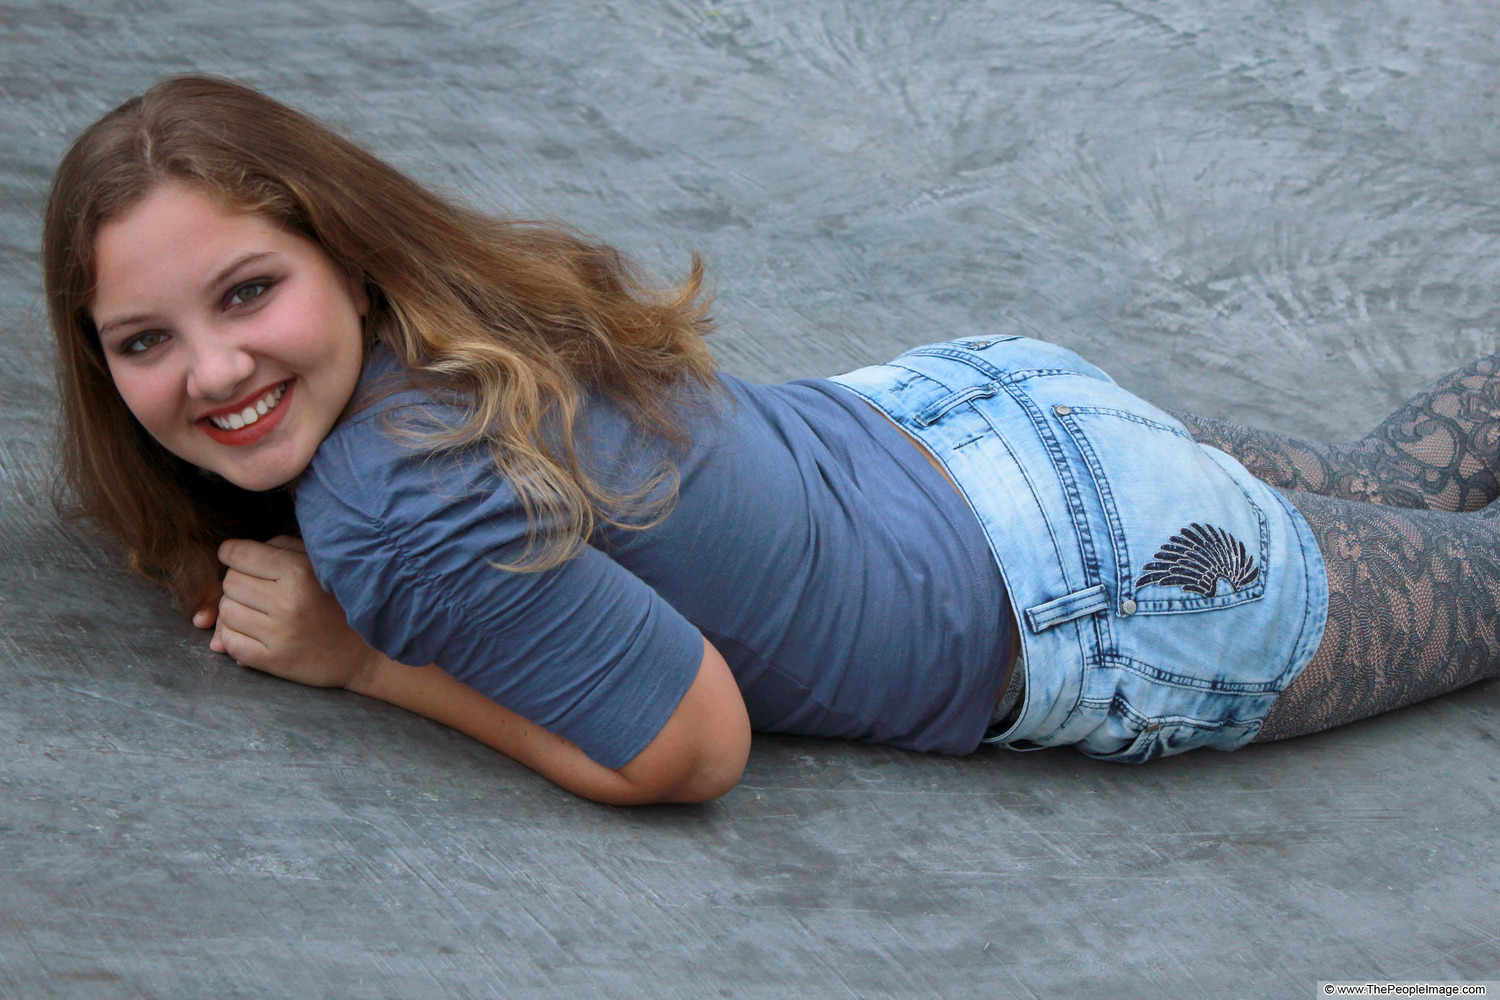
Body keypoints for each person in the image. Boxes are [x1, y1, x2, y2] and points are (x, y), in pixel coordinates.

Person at [44, 76, 1500, 806]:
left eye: (248, 293)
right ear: (95, 360)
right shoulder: (450, 315)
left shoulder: (390, 510)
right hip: (977, 415)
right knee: (1385, 487)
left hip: (1092, 581)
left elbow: (692, 745)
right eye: (145, 340)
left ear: (344, 261)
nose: (215, 369)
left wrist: (363, 658)